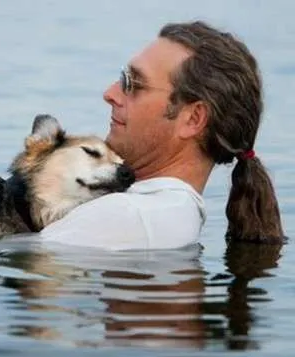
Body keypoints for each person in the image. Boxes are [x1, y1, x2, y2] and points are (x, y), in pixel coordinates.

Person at [40, 21, 284, 250]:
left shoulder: (130, 216)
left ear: (193, 119)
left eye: (134, 83)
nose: (110, 93)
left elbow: (22, 266)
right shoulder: (166, 211)